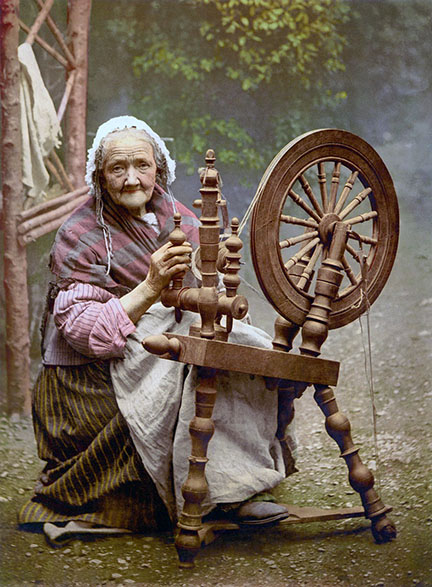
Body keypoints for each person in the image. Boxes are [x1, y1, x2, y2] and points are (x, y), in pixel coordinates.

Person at [19, 116, 296, 542]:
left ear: (158, 169)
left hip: (151, 337)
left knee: (242, 346)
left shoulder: (171, 211)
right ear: (100, 176)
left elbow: (203, 280)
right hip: (87, 375)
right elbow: (83, 332)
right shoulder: (80, 233)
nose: (132, 180)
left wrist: (216, 263)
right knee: (188, 369)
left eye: (142, 166)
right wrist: (150, 287)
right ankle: (219, 496)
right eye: (118, 169)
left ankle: (241, 479)